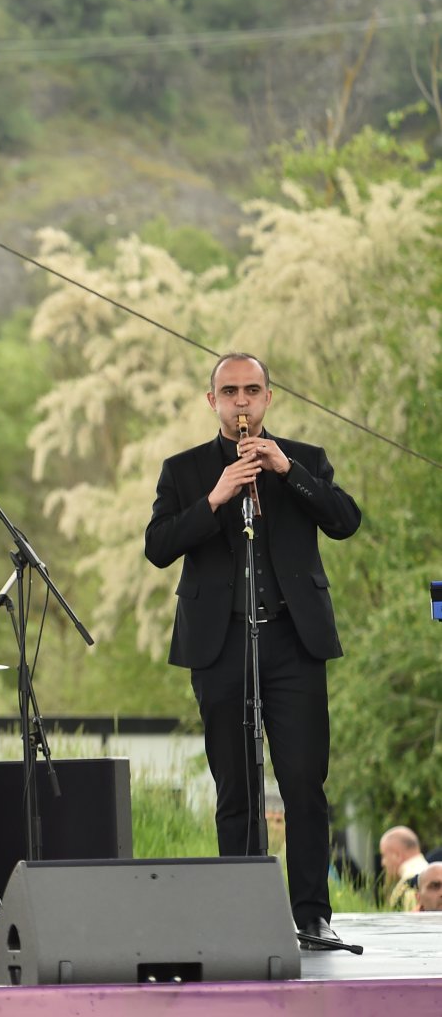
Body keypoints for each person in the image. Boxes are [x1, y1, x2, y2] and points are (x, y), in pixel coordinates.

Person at [144, 353, 361, 948]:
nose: (242, 403)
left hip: (295, 641)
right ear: (211, 401)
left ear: (269, 398)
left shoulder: (306, 459)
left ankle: (312, 914)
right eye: (229, 392)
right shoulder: (184, 470)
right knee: (235, 786)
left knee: (303, 784)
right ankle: (242, 910)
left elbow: (346, 521)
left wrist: (287, 470)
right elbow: (158, 546)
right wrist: (215, 500)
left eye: (252, 391)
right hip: (221, 644)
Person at [379, 826, 429, 911]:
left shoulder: (409, 885)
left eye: (384, 855)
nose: (382, 863)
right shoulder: (433, 876)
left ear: (397, 855)